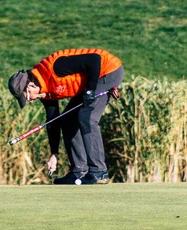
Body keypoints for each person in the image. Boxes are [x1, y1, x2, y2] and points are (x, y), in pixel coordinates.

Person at [8, 48, 124, 185]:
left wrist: (92, 89)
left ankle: (99, 172)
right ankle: (79, 171)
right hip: (90, 81)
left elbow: (94, 59)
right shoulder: (44, 91)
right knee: (68, 120)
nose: (29, 101)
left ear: (31, 85)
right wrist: (54, 154)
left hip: (107, 71)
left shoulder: (56, 67)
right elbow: (53, 121)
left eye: (26, 96)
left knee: (86, 117)